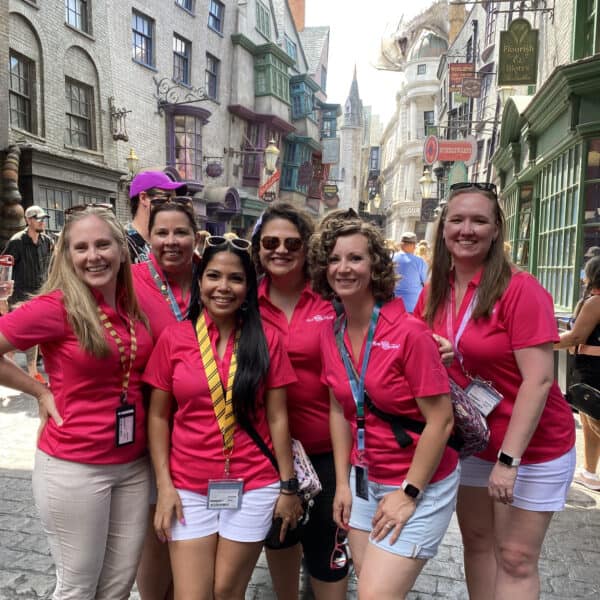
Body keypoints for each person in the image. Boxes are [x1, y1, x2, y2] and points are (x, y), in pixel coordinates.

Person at [414, 181, 576, 600]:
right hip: (472, 442)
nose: (467, 229)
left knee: (516, 556)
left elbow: (539, 380)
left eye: (479, 220)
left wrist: (509, 460)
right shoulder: (434, 291)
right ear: (443, 229)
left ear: (496, 229)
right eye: (457, 220)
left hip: (532, 448)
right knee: (479, 543)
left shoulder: (521, 290)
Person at [0, 205, 153, 598]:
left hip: (134, 467)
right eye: (81, 247)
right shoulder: (56, 307)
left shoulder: (130, 307)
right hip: (75, 467)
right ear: (67, 256)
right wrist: (38, 389)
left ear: (121, 250)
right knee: (78, 588)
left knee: (118, 586)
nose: (94, 255)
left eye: (103, 244)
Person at [143, 236, 303, 599]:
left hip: (254, 484)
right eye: (214, 276)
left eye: (235, 279)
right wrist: (164, 486)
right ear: (199, 282)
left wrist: (288, 486)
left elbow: (278, 418)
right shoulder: (175, 338)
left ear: (248, 287)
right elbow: (158, 417)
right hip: (188, 486)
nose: (224, 288)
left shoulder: (267, 340)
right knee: (192, 595)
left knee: (228, 590)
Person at [309, 215, 459, 600]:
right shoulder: (332, 332)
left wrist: (408, 493)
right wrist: (342, 483)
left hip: (417, 482)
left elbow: (441, 421)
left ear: (375, 265)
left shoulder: (409, 332)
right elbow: (340, 411)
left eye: (355, 258)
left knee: (375, 595)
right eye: (335, 259)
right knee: (370, 583)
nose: (343, 268)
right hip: (362, 479)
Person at [251, 203, 349, 600]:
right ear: (258, 248)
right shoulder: (243, 303)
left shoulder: (332, 300)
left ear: (307, 248)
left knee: (327, 550)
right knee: (280, 539)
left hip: (327, 449)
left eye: (292, 243)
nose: (281, 250)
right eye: (271, 242)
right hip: (267, 453)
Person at [132, 196, 199, 600]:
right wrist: (45, 389)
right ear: (149, 236)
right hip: (148, 423)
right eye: (162, 233)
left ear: (196, 236)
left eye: (180, 232)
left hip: (206, 425)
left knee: (192, 526)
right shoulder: (128, 278)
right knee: (156, 529)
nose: (171, 241)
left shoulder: (214, 274)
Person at [555, 255, 600, 491]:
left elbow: (576, 336)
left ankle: (591, 473)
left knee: (594, 420)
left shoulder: (595, 302)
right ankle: (590, 472)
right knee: (590, 416)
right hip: (590, 368)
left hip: (593, 370)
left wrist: (544, 342)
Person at [2, 205, 54, 384]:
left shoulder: (47, 241)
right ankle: (23, 373)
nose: (42, 221)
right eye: (38, 218)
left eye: (43, 218)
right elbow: (4, 267)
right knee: (15, 337)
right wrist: (2, 296)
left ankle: (30, 373)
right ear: (28, 220)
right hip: (19, 298)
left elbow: (51, 267)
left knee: (30, 335)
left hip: (40, 295)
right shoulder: (17, 241)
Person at [127, 171, 185, 264]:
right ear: (143, 198)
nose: (172, 206)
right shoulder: (122, 243)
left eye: (174, 200)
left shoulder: (169, 243)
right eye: (166, 198)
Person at [392, 232, 428, 313]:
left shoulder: (391, 258)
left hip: (392, 305)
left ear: (401, 244)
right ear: (413, 245)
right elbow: (427, 283)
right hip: (413, 306)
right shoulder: (419, 261)